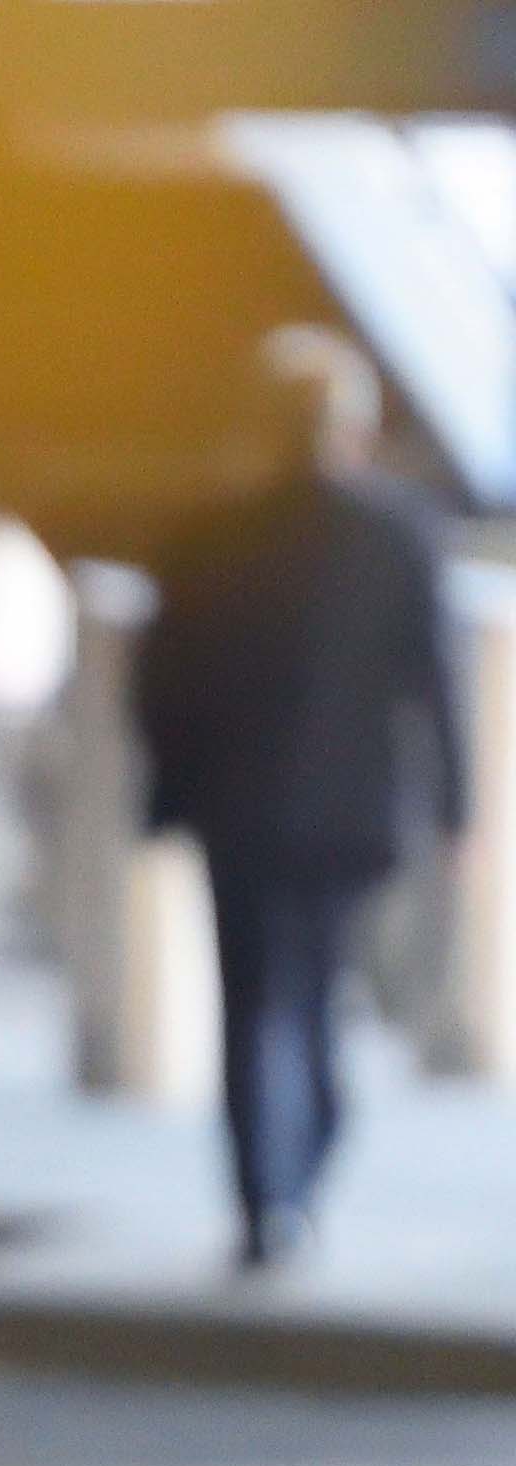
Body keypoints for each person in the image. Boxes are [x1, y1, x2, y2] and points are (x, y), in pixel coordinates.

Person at [133, 326, 471, 1268]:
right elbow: (437, 684)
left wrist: (165, 791)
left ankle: (262, 1199)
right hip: (353, 812)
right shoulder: (399, 533)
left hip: (236, 810)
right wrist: (457, 808)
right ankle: (305, 1167)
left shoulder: (208, 537)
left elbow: (162, 685)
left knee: (251, 1000)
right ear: (353, 426)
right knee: (319, 994)